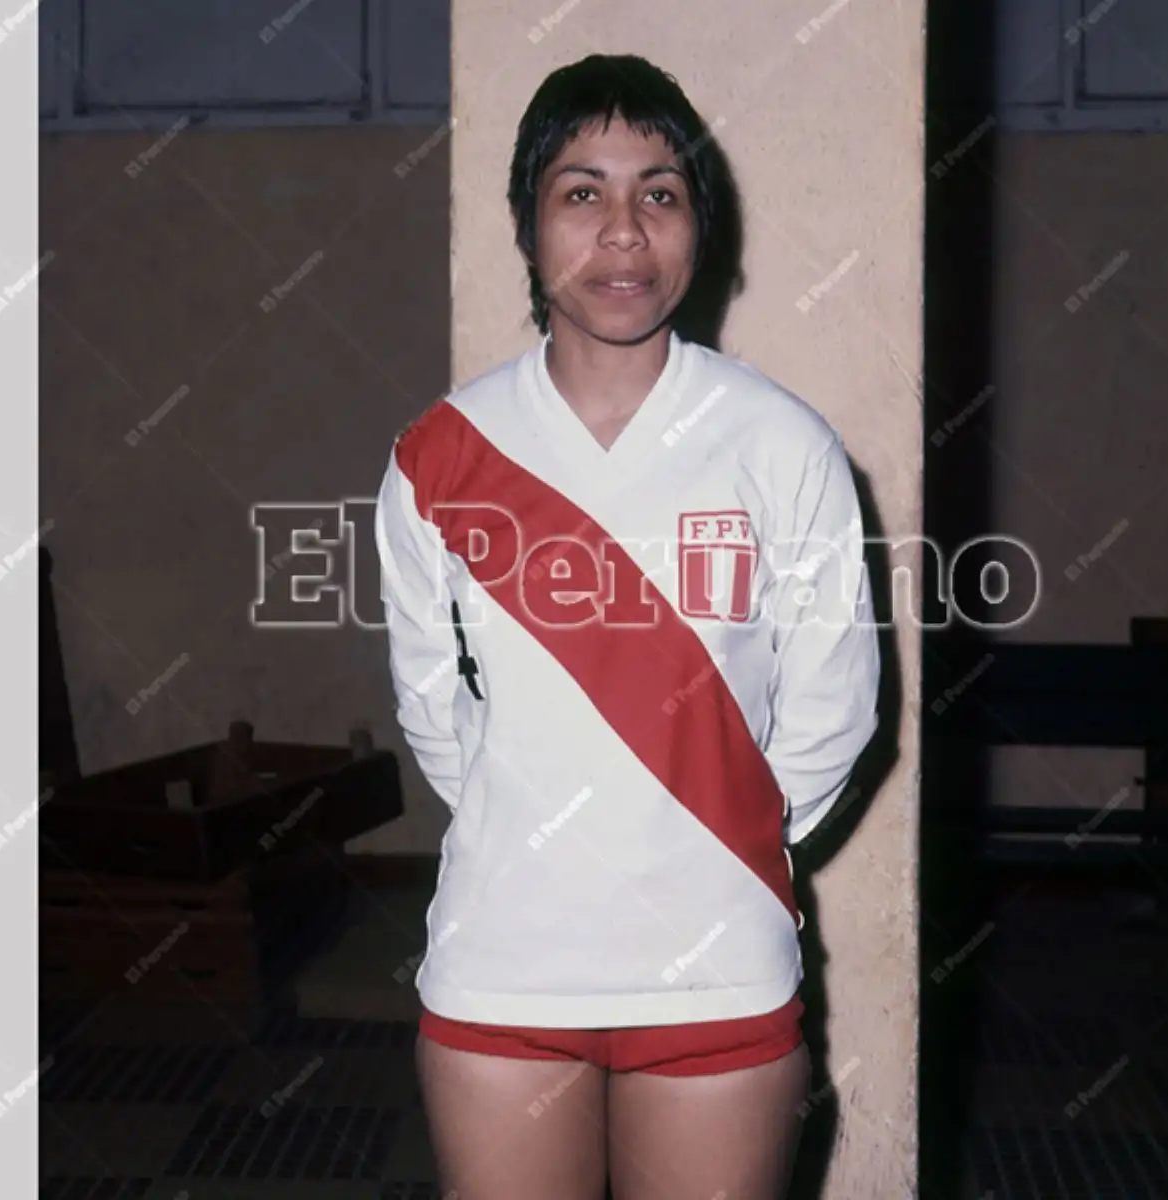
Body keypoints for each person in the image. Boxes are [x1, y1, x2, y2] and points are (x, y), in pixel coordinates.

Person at [373, 53, 879, 1200]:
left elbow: (834, 709)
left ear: (701, 224)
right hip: (504, 971)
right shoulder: (437, 456)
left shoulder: (779, 444)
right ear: (527, 222)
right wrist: (538, 819)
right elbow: (431, 708)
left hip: (718, 974)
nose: (622, 231)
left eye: (660, 191)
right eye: (580, 191)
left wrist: (707, 838)